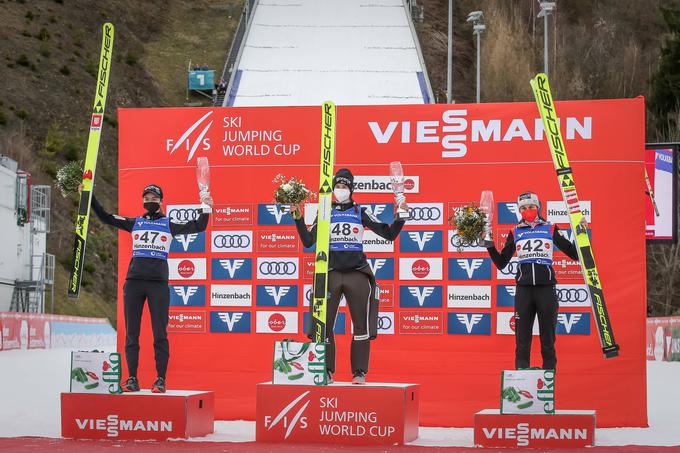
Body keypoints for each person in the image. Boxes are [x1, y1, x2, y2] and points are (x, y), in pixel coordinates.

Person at [81, 183, 213, 393]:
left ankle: (160, 379)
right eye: (147, 198)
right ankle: (132, 378)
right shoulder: (135, 223)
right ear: (142, 201)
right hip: (134, 283)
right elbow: (106, 217)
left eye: (154, 198)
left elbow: (198, 226)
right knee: (131, 334)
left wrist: (206, 207)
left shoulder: (169, 223)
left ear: (161, 202)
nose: (150, 201)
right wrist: (87, 197)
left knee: (160, 334)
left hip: (158, 285)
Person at [290, 168, 407, 384]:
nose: (340, 190)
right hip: (331, 273)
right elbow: (308, 241)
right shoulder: (325, 211)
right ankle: (326, 371)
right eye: (337, 187)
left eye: (344, 187)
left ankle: (359, 372)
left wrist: (401, 216)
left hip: (356, 273)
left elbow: (389, 234)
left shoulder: (359, 211)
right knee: (323, 324)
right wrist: (298, 217)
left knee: (360, 325)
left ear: (351, 189)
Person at [486, 191, 582, 370]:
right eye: (523, 208)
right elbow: (501, 263)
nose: (527, 210)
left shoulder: (550, 228)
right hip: (524, 291)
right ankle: (522, 383)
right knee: (522, 343)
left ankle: (548, 384)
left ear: (538, 208)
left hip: (546, 290)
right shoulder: (515, 232)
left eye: (531, 206)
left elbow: (574, 253)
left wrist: (580, 233)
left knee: (548, 341)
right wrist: (490, 245)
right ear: (519, 211)